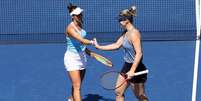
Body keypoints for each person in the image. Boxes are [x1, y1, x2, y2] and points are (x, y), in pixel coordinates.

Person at [93, 6, 149, 101]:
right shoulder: (125, 32)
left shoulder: (134, 33)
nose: (119, 21)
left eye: (120, 19)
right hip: (127, 65)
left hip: (136, 67)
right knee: (118, 92)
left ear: (126, 20)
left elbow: (139, 53)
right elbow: (116, 45)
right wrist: (99, 47)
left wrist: (132, 70)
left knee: (140, 96)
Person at [65, 3, 94, 101]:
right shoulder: (70, 28)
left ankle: (71, 99)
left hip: (82, 58)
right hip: (72, 59)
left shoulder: (80, 24)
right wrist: (92, 42)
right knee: (77, 86)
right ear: (73, 16)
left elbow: (80, 44)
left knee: (77, 84)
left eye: (81, 14)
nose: (80, 16)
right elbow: (81, 40)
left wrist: (89, 52)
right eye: (78, 14)